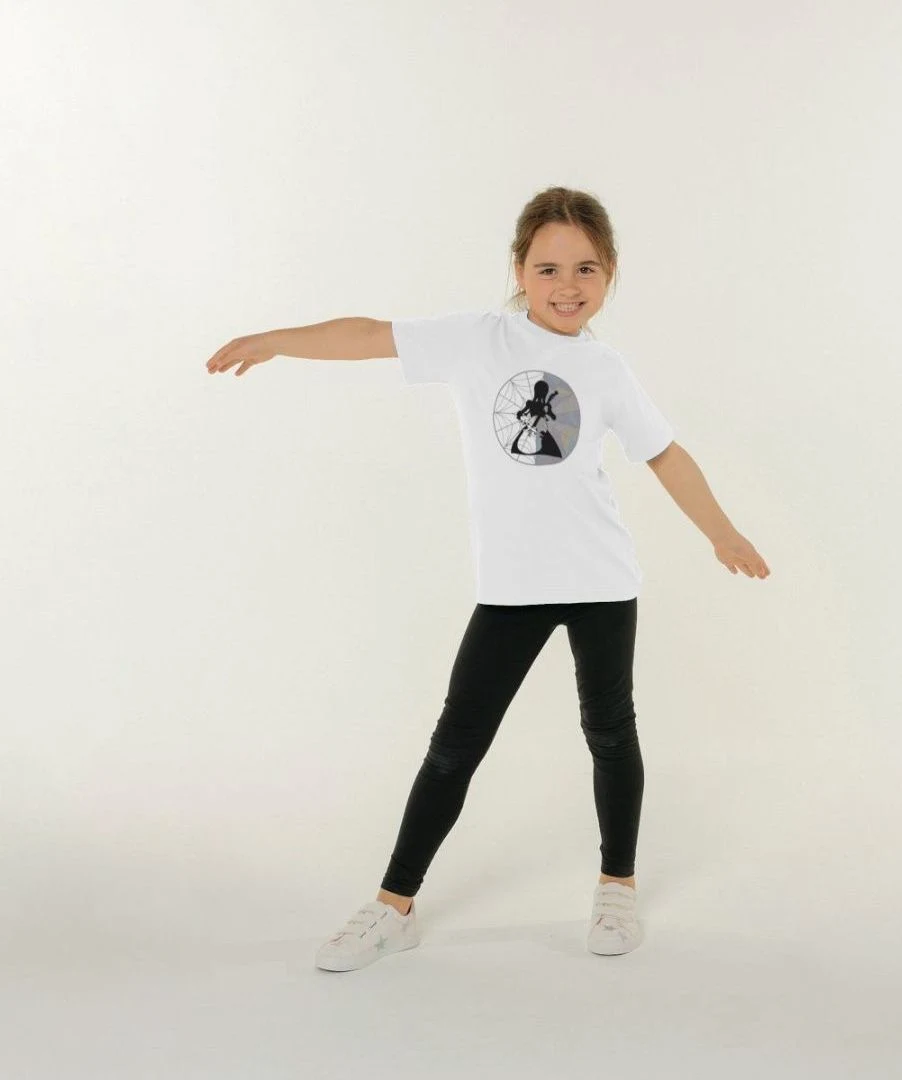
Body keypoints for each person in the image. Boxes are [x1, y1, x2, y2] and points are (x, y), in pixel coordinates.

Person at [205, 186, 770, 972]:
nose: (567, 286)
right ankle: (394, 906)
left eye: (585, 269)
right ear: (518, 270)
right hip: (512, 589)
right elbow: (369, 334)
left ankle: (617, 886)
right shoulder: (478, 341)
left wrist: (721, 532)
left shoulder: (606, 368)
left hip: (601, 580)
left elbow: (664, 454)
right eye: (548, 269)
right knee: (455, 745)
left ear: (609, 273)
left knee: (611, 732)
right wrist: (277, 339)